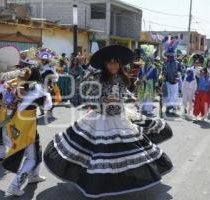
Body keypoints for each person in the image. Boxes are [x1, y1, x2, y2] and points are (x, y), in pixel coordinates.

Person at [43, 45, 173, 198]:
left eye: (116, 62)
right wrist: (103, 99)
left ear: (120, 64)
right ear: (104, 64)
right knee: (99, 154)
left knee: (123, 152)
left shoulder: (122, 77)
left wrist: (130, 98)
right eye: (110, 62)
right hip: (100, 119)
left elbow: (123, 94)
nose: (113, 65)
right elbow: (80, 98)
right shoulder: (97, 78)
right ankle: (97, 183)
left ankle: (120, 180)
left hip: (120, 118)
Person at [3, 67, 52, 196]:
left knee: (37, 148)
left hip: (17, 122)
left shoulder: (14, 85)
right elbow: (47, 106)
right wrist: (47, 93)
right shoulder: (37, 88)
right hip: (26, 126)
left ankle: (33, 176)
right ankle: (15, 185)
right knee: (32, 157)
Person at [38, 49, 60, 117]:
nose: (43, 61)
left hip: (49, 84)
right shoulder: (40, 66)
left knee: (50, 98)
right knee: (40, 98)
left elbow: (55, 76)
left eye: (44, 59)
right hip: (41, 84)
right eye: (42, 59)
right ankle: (42, 111)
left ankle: (50, 112)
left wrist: (51, 85)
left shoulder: (51, 67)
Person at [162, 38, 181, 114]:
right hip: (167, 81)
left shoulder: (177, 63)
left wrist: (178, 75)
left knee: (174, 95)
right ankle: (168, 107)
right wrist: (163, 77)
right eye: (169, 55)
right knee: (168, 95)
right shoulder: (165, 63)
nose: (170, 56)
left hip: (175, 81)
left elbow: (180, 71)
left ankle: (174, 108)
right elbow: (163, 72)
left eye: (172, 55)